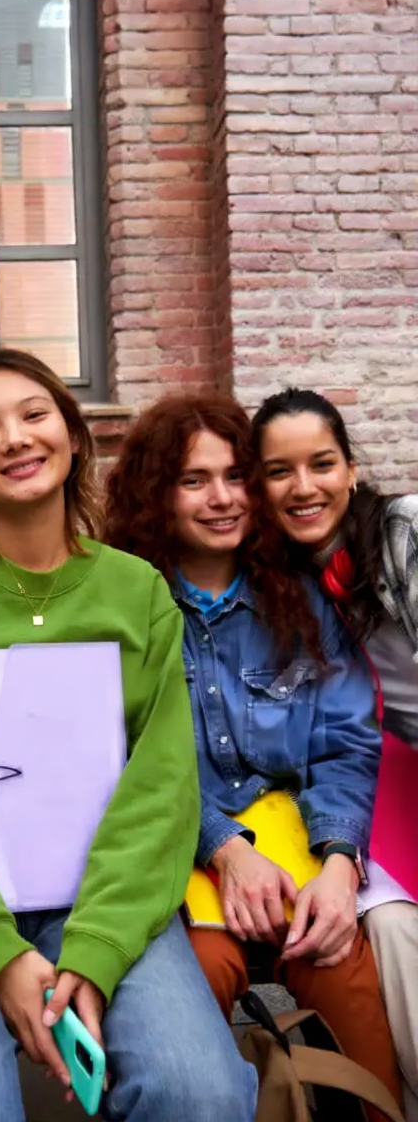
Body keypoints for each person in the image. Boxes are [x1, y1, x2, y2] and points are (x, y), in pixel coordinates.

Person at [0, 349, 257, 1122]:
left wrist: (99, 950)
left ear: (72, 435)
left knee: (199, 1091)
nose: (14, 438)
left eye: (34, 415)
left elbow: (160, 787)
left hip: (100, 889)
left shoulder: (137, 592)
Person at [103, 392, 401, 1119]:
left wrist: (340, 864)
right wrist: (222, 848)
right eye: (194, 480)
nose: (223, 498)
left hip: (300, 849)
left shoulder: (302, 601)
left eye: (236, 476)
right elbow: (117, 757)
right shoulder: (123, 610)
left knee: (345, 968)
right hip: (177, 860)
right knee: (194, 981)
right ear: (156, 494)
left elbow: (346, 741)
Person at [253, 386, 418, 1119]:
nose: (303, 487)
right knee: (387, 924)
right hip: (386, 777)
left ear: (351, 468)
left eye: (321, 464)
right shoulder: (277, 581)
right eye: (279, 471)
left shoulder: (404, 533)